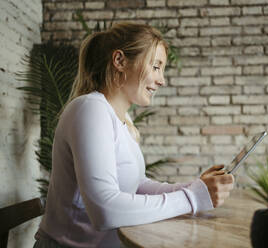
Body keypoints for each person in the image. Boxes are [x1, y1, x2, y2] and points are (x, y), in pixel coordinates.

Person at [33, 22, 234, 248]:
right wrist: (192, 198)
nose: (162, 80)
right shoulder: (90, 109)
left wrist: (195, 187)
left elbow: (137, 185)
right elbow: (105, 210)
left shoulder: (122, 121)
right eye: (156, 66)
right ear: (119, 61)